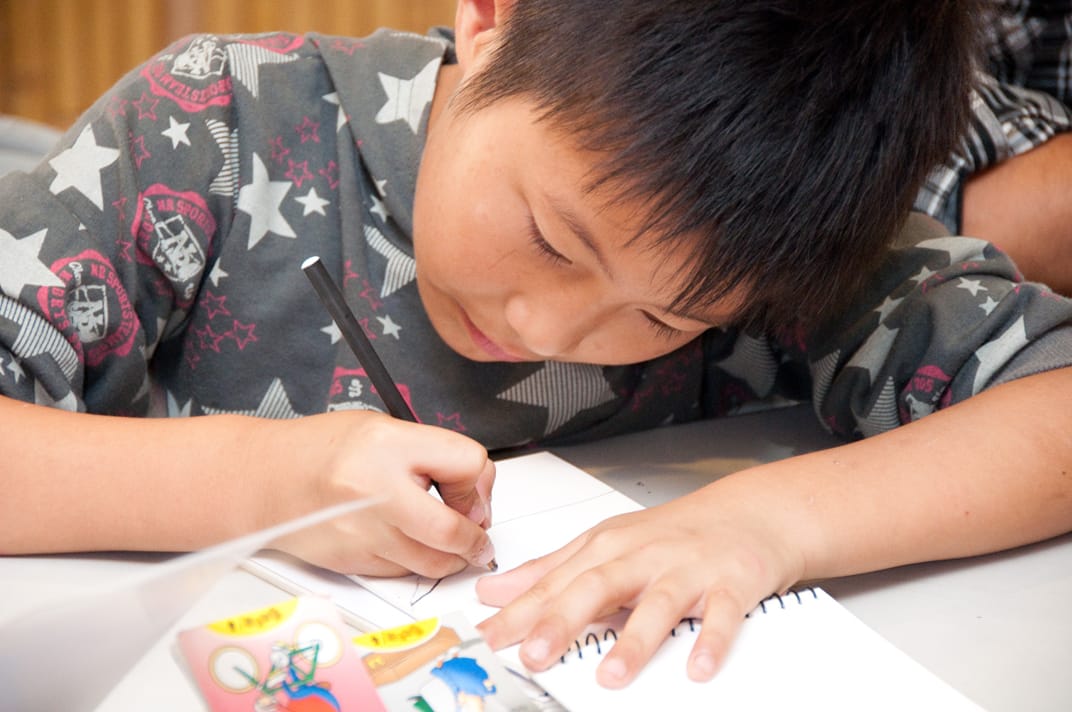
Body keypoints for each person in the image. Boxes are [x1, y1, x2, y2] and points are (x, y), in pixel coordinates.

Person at [2, 0, 1071, 690]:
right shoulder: (213, 123)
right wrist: (259, 484)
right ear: (489, 18)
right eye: (553, 238)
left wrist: (770, 524)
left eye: (664, 320)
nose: (549, 330)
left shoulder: (778, 247)